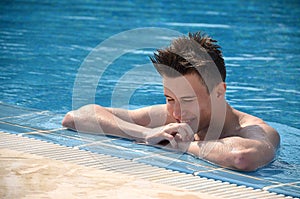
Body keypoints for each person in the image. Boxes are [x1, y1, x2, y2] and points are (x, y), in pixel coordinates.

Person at [62, 31, 280, 171]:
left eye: (187, 100)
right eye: (169, 98)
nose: (177, 111)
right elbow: (76, 117)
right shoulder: (167, 117)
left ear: (219, 92)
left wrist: (182, 146)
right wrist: (145, 134)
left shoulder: (254, 130)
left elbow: (242, 157)